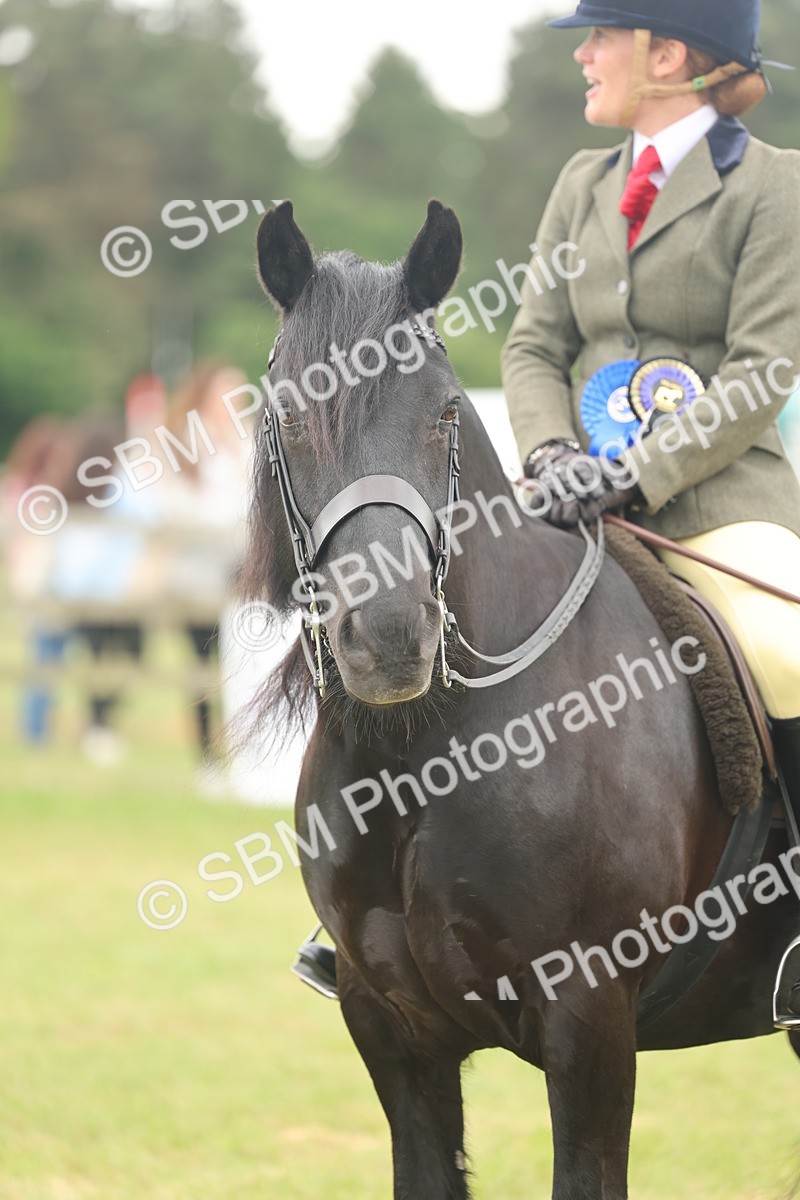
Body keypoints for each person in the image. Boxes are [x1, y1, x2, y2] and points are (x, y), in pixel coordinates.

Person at [501, 0, 800, 1029]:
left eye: (599, 38)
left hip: (714, 504)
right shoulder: (578, 186)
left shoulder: (772, 186)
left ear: (666, 56)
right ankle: (381, 911)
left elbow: (761, 373)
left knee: (783, 648)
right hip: (562, 504)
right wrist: (547, 453)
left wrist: (631, 473)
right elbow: (531, 347)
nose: (581, 55)